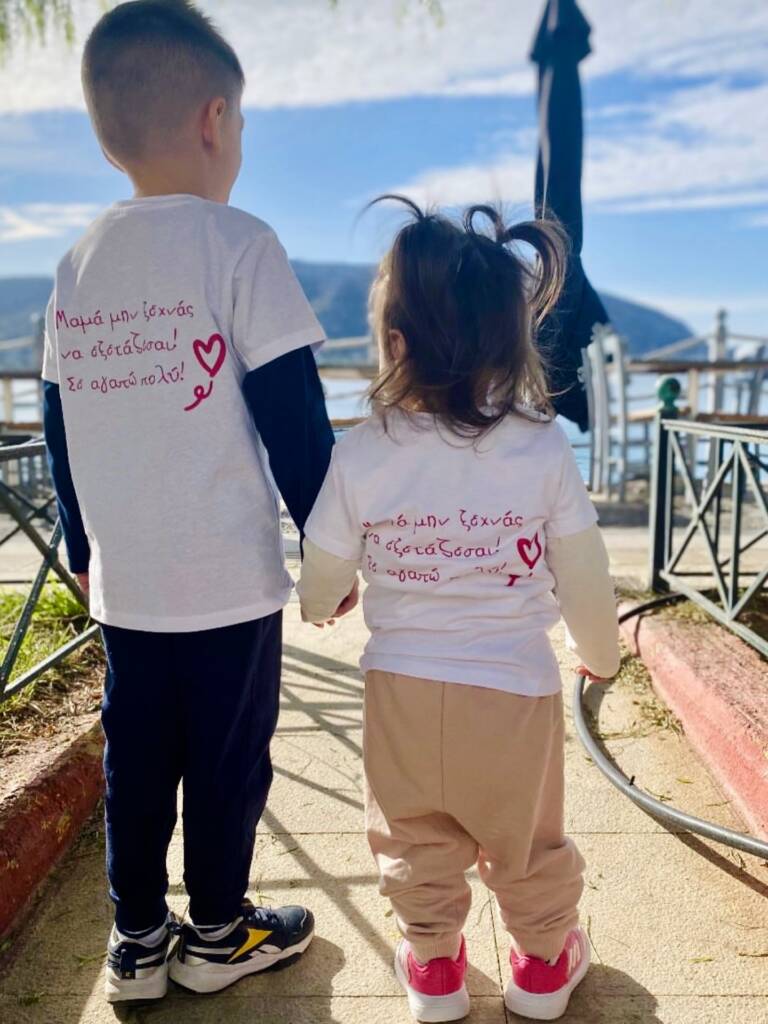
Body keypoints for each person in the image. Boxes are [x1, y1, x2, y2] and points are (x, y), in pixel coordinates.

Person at [42, 0, 343, 1004]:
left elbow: (59, 422)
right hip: (227, 583)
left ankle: (135, 939)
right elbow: (295, 420)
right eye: (242, 124)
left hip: (127, 584)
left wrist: (79, 543)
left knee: (135, 760)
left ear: (108, 136)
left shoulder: (75, 265)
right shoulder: (240, 245)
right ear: (216, 121)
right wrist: (333, 546)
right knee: (225, 760)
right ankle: (217, 929)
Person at [297, 197, 621, 1023]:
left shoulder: (362, 450)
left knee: (412, 836)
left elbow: (323, 563)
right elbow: (583, 570)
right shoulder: (541, 444)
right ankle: (542, 964)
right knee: (526, 839)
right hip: (514, 690)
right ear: (512, 344)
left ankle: (435, 965)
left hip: (400, 688)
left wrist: (324, 600)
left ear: (395, 343)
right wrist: (601, 654)